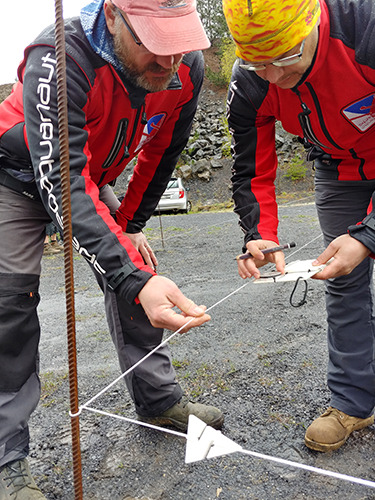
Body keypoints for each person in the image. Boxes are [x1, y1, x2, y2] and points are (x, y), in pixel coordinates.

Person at [0, 0, 224, 496]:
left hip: (91, 174)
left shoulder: (186, 64)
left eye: (178, 42)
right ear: (114, 17)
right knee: (9, 303)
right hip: (19, 176)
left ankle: (158, 400)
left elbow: (162, 154)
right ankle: (6, 459)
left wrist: (133, 228)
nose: (169, 62)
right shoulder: (59, 54)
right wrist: (125, 272)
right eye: (152, 42)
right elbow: (60, 178)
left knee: (139, 270)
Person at [223, 0, 375, 453]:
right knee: (344, 278)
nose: (271, 75)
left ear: (314, 22)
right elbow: (251, 167)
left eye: (284, 58)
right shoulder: (251, 81)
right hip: (339, 170)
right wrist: (260, 233)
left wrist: (368, 235)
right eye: (257, 62)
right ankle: (354, 402)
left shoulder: (364, 29)